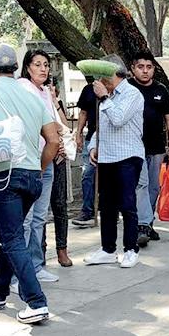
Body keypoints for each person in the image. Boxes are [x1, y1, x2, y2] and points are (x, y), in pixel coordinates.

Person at [0, 43, 60, 324]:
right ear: (16, 67)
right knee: (12, 234)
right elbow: (53, 140)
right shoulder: (32, 96)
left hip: (1, 175)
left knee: (12, 238)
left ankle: (36, 301)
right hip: (31, 175)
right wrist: (39, 168)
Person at [84, 55, 145, 268]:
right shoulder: (107, 97)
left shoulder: (132, 94)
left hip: (128, 156)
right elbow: (101, 126)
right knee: (107, 205)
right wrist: (93, 146)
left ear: (112, 74)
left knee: (127, 204)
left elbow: (118, 119)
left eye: (102, 76)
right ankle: (108, 249)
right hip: (107, 157)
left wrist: (103, 97)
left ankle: (131, 249)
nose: (100, 81)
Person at [17, 49, 63, 283]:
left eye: (46, 64)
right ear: (27, 67)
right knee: (25, 219)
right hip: (28, 160)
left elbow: (56, 123)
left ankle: (36, 265)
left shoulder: (45, 91)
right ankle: (19, 273)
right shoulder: (23, 88)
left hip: (47, 157)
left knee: (39, 218)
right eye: (37, 64)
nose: (43, 68)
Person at [128, 51, 169, 249]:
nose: (145, 71)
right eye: (141, 67)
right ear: (133, 69)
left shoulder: (160, 89)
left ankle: (148, 223)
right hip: (134, 147)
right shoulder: (128, 88)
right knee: (140, 186)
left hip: (156, 147)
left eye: (149, 67)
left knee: (153, 187)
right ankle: (141, 225)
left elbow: (168, 117)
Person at [47, 78, 73, 267]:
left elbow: (65, 129)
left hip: (58, 158)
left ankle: (62, 249)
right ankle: (39, 249)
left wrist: (55, 102)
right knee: (38, 210)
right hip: (40, 157)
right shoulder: (30, 98)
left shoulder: (54, 103)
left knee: (59, 204)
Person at [71, 75, 99, 227]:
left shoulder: (115, 89)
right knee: (87, 174)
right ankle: (87, 210)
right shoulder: (88, 90)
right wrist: (79, 134)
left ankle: (111, 210)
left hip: (111, 139)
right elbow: (83, 113)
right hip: (91, 138)